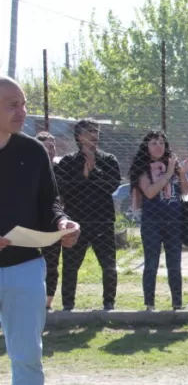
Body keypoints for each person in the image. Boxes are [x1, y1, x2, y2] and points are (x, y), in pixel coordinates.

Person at [0, 76, 80, 385]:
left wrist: (63, 224)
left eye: (23, 102)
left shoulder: (32, 152)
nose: (22, 111)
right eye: (11, 104)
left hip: (25, 267)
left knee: (27, 356)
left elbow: (51, 204)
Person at [54, 118, 120, 311]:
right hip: (76, 222)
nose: (94, 135)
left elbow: (112, 185)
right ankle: (68, 305)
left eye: (97, 131)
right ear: (79, 136)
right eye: (90, 131)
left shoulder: (108, 160)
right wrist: (83, 174)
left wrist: (94, 170)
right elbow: (63, 188)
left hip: (103, 220)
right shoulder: (67, 162)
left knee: (108, 265)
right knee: (70, 266)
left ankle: (109, 304)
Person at [128, 131, 188, 310]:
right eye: (154, 143)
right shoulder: (142, 167)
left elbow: (185, 191)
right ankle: (150, 304)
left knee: (175, 264)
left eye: (162, 143)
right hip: (152, 222)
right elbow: (149, 192)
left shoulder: (172, 163)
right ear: (146, 146)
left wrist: (182, 173)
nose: (159, 147)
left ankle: (177, 303)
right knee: (151, 263)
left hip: (174, 220)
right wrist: (169, 173)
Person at [36, 131, 61, 310]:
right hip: (34, 222)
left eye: (53, 146)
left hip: (55, 221)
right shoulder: (30, 169)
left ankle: (47, 303)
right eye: (47, 146)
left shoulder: (61, 169)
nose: (51, 149)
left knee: (52, 263)